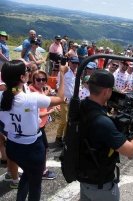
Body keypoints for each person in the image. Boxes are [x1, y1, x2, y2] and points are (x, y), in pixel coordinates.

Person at [79, 69, 133, 201]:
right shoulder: (102, 122)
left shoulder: (81, 106)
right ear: (107, 91)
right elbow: (130, 151)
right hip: (101, 186)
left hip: (84, 177)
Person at [0, 60, 67, 201]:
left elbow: (13, 90)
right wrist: (61, 73)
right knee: (35, 185)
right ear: (22, 78)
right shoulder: (32, 98)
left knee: (27, 174)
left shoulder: (3, 97)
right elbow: (61, 98)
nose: (29, 73)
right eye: (27, 72)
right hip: (32, 148)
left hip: (12, 145)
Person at [29, 70, 57, 180]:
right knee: (43, 149)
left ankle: (39, 170)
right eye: (38, 79)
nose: (41, 82)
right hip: (37, 126)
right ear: (33, 79)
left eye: (43, 79)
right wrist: (48, 112)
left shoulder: (40, 90)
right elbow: (34, 113)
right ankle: (41, 171)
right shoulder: (32, 91)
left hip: (41, 125)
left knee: (42, 149)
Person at [55, 56, 78, 147]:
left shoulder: (75, 73)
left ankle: (65, 137)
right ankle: (58, 137)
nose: (75, 65)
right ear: (69, 62)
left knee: (69, 121)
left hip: (72, 100)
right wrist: (62, 96)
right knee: (64, 120)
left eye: (76, 63)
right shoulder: (64, 72)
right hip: (64, 99)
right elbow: (58, 85)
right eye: (73, 63)